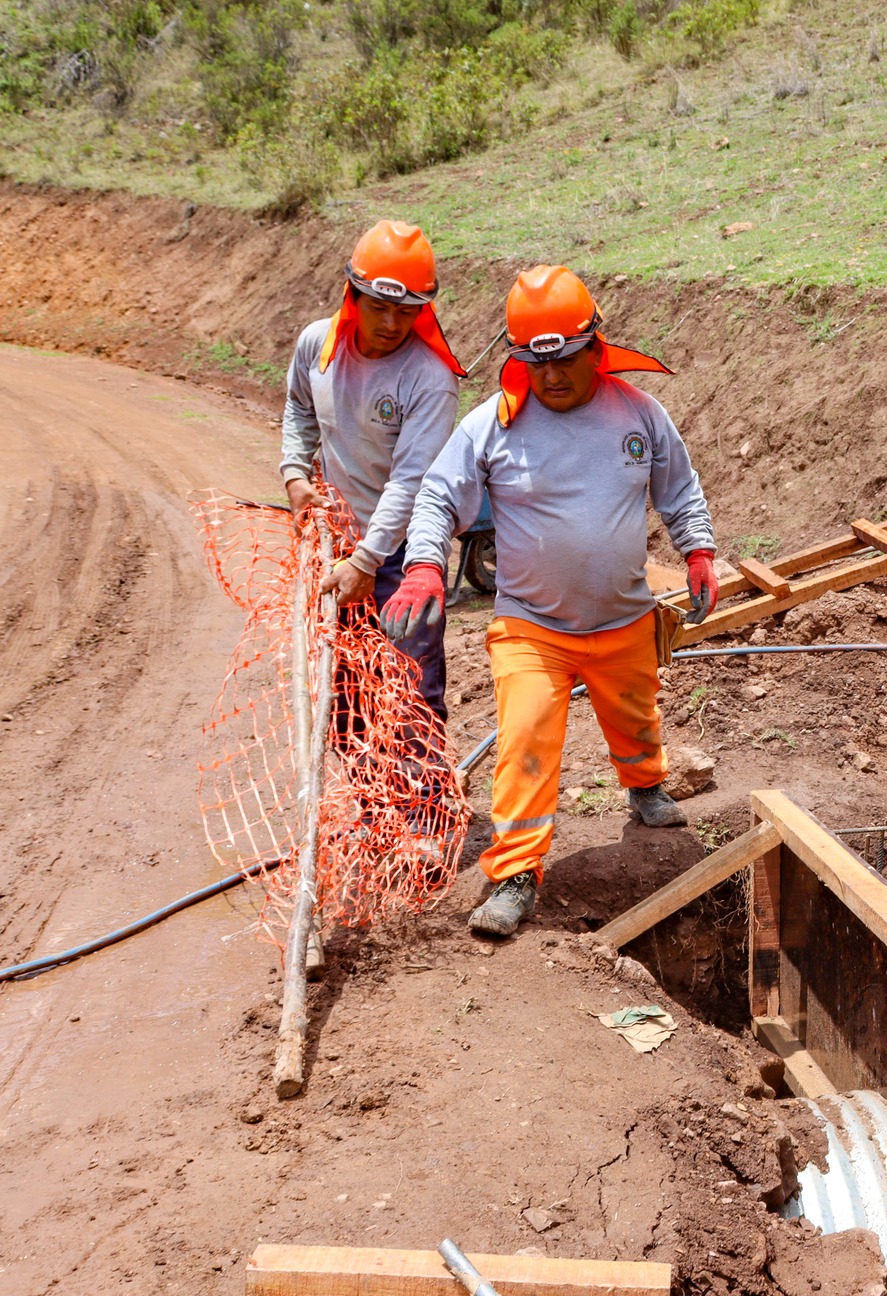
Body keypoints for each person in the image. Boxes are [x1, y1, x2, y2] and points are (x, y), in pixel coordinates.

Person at [385, 265, 720, 938]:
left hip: (623, 617)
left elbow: (679, 491)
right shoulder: (493, 425)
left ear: (595, 346)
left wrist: (699, 550)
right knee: (526, 740)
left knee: (634, 714)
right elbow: (438, 495)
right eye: (537, 366)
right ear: (518, 359)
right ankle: (515, 877)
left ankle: (646, 786)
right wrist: (423, 563)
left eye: (566, 360)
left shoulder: (639, 415)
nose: (554, 377)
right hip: (531, 626)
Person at [281, 219, 466, 720]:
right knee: (343, 699)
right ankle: (370, 802)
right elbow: (300, 407)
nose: (391, 323)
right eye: (379, 307)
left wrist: (367, 561)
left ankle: (425, 798)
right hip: (334, 548)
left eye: (406, 311)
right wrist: (295, 473)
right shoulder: (317, 347)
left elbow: (411, 481)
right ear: (352, 295)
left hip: (403, 557)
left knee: (411, 693)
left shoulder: (429, 379)